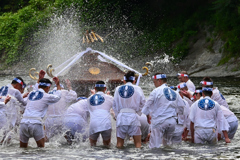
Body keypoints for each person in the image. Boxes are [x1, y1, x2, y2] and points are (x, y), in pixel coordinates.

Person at [142, 73, 187, 148]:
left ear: (159, 81)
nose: (154, 84)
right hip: (172, 122)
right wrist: (177, 115)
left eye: (154, 82)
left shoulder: (156, 91)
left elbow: (146, 106)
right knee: (168, 145)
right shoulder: (175, 92)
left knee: (154, 146)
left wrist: (146, 116)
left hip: (159, 121)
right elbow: (182, 107)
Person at [19, 77, 61, 148]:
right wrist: (58, 85)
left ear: (38, 86)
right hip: (36, 123)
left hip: (23, 123)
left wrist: (39, 79)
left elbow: (24, 103)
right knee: (41, 149)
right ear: (48, 87)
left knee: (23, 149)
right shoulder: (47, 96)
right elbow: (58, 97)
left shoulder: (31, 93)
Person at [113, 71, 145, 148]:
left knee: (119, 144)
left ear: (124, 80)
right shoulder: (138, 88)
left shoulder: (118, 89)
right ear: (134, 81)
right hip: (133, 117)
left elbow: (114, 105)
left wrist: (118, 115)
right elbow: (143, 102)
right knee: (138, 144)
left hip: (121, 117)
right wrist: (138, 111)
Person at [87, 81, 114, 146]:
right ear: (105, 89)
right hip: (106, 124)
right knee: (107, 146)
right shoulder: (110, 98)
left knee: (92, 146)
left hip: (94, 123)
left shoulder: (89, 99)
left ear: (95, 89)